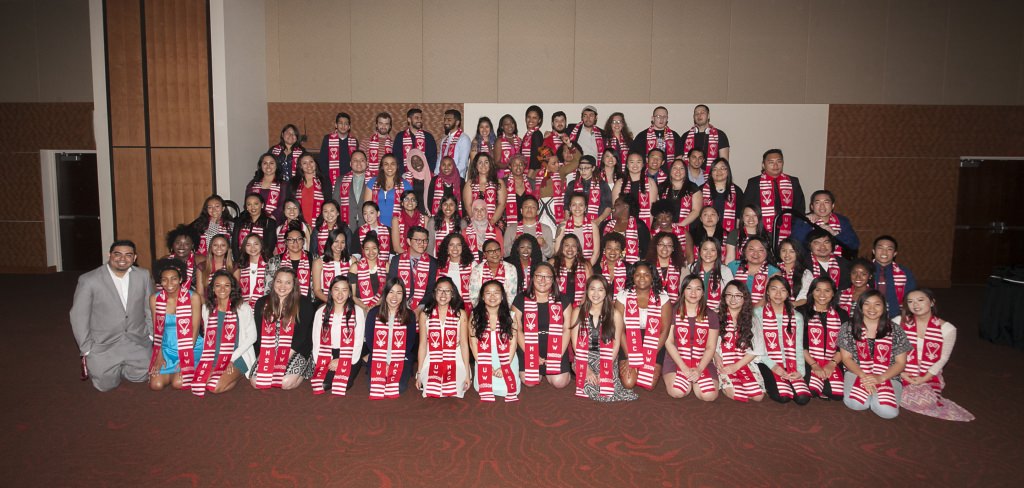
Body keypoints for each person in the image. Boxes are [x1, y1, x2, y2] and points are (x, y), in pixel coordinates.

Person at [897, 289, 974, 421]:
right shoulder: (898, 321)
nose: (915, 305)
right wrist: (901, 372)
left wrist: (924, 378)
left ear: (932, 302)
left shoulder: (948, 329)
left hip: (928, 371)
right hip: (900, 367)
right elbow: (891, 351)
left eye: (920, 300)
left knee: (923, 401)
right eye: (910, 301)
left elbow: (943, 358)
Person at [838, 290, 911, 419]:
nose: (872, 308)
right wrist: (864, 376)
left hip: (888, 375)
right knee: (856, 404)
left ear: (884, 307)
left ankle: (875, 396)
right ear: (860, 306)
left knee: (887, 412)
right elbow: (846, 358)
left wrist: (880, 378)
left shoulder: (895, 329)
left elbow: (900, 363)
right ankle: (870, 395)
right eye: (867, 304)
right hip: (857, 372)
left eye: (877, 304)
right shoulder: (848, 327)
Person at [569, 276, 637, 402]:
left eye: (600, 290)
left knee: (608, 389)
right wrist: (587, 369)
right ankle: (581, 371)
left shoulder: (615, 314)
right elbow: (575, 345)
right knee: (590, 386)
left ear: (606, 292)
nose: (596, 294)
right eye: (592, 289)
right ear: (587, 290)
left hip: (607, 357)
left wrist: (605, 368)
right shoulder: (577, 311)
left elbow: (616, 345)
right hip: (584, 357)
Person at [193, 270, 257, 395]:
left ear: (232, 288)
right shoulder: (207, 308)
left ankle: (239, 374)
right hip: (214, 355)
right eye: (218, 285)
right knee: (202, 382)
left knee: (215, 387)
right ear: (212, 288)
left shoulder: (243, 308)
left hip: (237, 356)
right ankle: (224, 375)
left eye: (227, 285)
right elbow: (208, 336)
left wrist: (230, 359)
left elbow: (252, 337)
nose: (222, 289)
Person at [251, 267, 316, 390]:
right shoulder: (261, 303)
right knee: (255, 382)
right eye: (279, 281)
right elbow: (259, 335)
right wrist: (266, 356)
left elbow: (301, 337)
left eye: (288, 282)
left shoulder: (304, 303)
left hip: (296, 349)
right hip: (268, 349)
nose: (282, 286)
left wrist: (282, 358)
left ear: (294, 285)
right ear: (273, 282)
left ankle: (306, 368)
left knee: (285, 383)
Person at [511, 262, 573, 388]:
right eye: (539, 276)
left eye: (548, 277)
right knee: (530, 382)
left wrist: (558, 354)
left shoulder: (563, 299)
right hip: (529, 345)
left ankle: (560, 369)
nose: (543, 280)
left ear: (553, 280)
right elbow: (517, 330)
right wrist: (531, 354)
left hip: (556, 345)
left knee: (560, 383)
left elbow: (567, 329)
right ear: (532, 277)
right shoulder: (520, 299)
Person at [616, 261, 673, 390]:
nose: (642, 278)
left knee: (649, 384)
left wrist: (647, 355)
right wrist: (630, 355)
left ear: (652, 277)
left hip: (653, 341)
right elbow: (619, 329)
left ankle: (643, 365)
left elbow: (664, 331)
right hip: (628, 338)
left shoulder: (663, 298)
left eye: (646, 274)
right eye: (638, 274)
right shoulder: (623, 296)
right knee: (628, 383)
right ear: (632, 277)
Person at [755, 276, 811, 405]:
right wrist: (774, 366)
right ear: (767, 291)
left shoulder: (796, 316)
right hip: (767, 360)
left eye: (783, 290)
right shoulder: (757, 313)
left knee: (802, 399)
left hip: (790, 361)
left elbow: (798, 346)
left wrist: (800, 371)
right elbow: (756, 346)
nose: (778, 294)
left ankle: (791, 379)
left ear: (788, 294)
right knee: (783, 397)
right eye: (774, 289)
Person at [146, 257, 200, 391]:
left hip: (190, 345)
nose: (169, 283)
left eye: (174, 278)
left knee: (178, 384)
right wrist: (158, 356)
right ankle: (172, 372)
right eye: (164, 279)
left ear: (181, 279)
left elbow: (195, 328)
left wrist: (185, 357)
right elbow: (156, 329)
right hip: (166, 346)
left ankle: (180, 371)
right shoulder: (154, 299)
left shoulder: (193, 297)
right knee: (156, 385)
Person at [664, 275, 720, 401]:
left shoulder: (711, 315)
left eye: (698, 289)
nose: (693, 293)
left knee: (709, 396)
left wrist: (699, 370)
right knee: (677, 391)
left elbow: (711, 347)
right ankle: (687, 380)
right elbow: (669, 342)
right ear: (683, 290)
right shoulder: (672, 311)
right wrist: (684, 368)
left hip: (701, 359)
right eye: (689, 288)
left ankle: (695, 379)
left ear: (703, 292)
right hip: (676, 358)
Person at [310, 275, 366, 396]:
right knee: (321, 384)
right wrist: (326, 361)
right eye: (336, 289)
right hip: (327, 353)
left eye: (344, 290)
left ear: (350, 293)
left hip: (350, 353)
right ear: (330, 291)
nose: (340, 294)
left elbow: (358, 342)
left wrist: (342, 360)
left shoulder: (358, 312)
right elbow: (316, 341)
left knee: (342, 384)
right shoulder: (321, 312)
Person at [416, 277, 472, 398]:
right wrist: (419, 373)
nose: (443, 294)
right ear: (434, 292)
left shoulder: (460, 314)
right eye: (440, 290)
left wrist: (467, 373)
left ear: (453, 294)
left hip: (455, 358)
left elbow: (463, 344)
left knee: (455, 390)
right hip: (432, 358)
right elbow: (422, 345)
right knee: (431, 389)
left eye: (447, 291)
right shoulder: (425, 314)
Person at [365, 278, 418, 398]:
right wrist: (383, 361)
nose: (394, 297)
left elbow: (409, 343)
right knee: (373, 386)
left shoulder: (409, 315)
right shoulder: (374, 313)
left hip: (401, 357)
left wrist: (393, 362)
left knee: (399, 387)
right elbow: (369, 340)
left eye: (399, 293)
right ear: (385, 294)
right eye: (391, 292)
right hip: (379, 356)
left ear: (403, 296)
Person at [715, 280, 766, 402]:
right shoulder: (715, 316)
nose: (733, 299)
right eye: (729, 295)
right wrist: (716, 356)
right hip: (722, 359)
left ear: (745, 298)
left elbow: (758, 348)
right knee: (735, 394)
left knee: (758, 396)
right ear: (724, 296)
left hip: (744, 360)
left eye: (738, 295)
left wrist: (736, 366)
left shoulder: (752, 319)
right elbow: (707, 343)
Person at [470, 280, 521, 401]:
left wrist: (505, 366)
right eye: (488, 293)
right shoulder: (475, 316)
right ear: (482, 297)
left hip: (507, 356)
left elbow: (513, 343)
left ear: (502, 296)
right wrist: (485, 365)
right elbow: (473, 344)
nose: (492, 296)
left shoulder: (511, 316)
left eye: (496, 293)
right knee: (482, 387)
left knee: (510, 389)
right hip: (483, 356)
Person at [799, 276, 849, 400]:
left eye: (827, 290)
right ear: (811, 292)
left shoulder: (842, 314)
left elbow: (844, 344)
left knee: (836, 395)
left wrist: (832, 364)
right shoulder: (801, 312)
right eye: (817, 290)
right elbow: (799, 344)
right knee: (811, 391)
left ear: (833, 293)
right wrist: (814, 365)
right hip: (807, 360)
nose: (822, 294)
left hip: (833, 360)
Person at [742, 149, 805, 244]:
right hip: (761, 232)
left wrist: (796, 232)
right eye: (771, 162)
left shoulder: (793, 182)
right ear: (763, 164)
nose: (775, 165)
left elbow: (799, 209)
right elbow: (747, 208)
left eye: (779, 161)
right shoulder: (754, 183)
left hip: (788, 232)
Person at [791, 189, 860, 259]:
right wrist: (806, 224)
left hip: (839, 263)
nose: (822, 206)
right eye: (817, 203)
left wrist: (834, 233)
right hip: (809, 264)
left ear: (833, 205)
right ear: (812, 206)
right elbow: (795, 245)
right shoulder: (803, 220)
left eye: (826, 202)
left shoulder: (842, 221)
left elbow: (854, 245)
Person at [386, 225, 438, 312]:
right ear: (409, 241)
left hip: (423, 307)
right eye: (418, 240)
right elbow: (391, 286)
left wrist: (419, 308)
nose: (422, 244)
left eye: (425, 241)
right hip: (399, 305)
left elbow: (431, 290)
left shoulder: (433, 263)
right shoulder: (396, 260)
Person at [872, 235, 917, 318]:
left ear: (895, 253)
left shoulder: (905, 273)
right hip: (868, 314)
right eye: (880, 248)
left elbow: (911, 296)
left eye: (889, 249)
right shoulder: (863, 271)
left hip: (895, 316)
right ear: (874, 251)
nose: (884, 252)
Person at [727, 236, 780, 305]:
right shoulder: (733, 266)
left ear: (767, 252)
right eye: (751, 249)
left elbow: (767, 298)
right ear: (744, 251)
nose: (755, 253)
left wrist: (750, 313)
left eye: (760, 250)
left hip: (759, 312)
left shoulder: (774, 272)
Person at [612, 151, 659, 229]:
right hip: (623, 225)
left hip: (643, 225)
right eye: (632, 162)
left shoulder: (650, 182)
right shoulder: (620, 183)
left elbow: (652, 209)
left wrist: (647, 229)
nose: (635, 165)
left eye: (638, 162)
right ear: (627, 165)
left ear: (643, 165)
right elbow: (615, 208)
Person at [364, 154, 413, 228]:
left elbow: (410, 209)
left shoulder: (406, 185)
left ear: (397, 166)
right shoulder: (372, 182)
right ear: (382, 167)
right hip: (375, 226)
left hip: (398, 227)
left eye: (393, 164)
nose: (389, 167)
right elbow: (366, 206)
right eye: (386, 164)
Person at [601, 194, 651, 265]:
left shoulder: (639, 225)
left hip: (632, 269)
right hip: (608, 268)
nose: (613, 207)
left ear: (626, 206)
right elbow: (600, 249)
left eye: (617, 204)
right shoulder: (606, 225)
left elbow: (646, 250)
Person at [556, 191, 603, 265]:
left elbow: (596, 253)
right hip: (565, 267)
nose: (577, 208)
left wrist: (587, 268)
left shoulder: (593, 226)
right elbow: (557, 250)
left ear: (585, 208)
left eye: (581, 205)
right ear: (570, 207)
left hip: (586, 267)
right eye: (574, 205)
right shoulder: (562, 226)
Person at [267, 227, 314, 300]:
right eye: (291, 239)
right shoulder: (274, 260)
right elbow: (269, 286)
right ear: (285, 242)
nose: (295, 242)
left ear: (303, 241)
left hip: (309, 303)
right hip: (282, 302)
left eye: (299, 239)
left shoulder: (314, 258)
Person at [564, 155, 612, 224]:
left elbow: (608, 206)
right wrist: (567, 220)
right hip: (575, 222)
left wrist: (598, 221)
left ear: (593, 168)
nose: (583, 171)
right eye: (580, 168)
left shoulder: (602, 185)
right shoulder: (572, 185)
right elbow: (567, 206)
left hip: (597, 222)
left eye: (586, 168)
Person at [689, 237, 734, 312]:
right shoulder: (690, 268)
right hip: (692, 312)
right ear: (699, 251)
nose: (708, 253)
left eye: (713, 250)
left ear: (718, 252)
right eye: (705, 249)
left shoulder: (725, 271)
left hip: (717, 314)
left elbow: (730, 295)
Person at [659, 156, 703, 229]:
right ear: (670, 170)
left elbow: (696, 211)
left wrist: (679, 226)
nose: (678, 171)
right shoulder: (662, 187)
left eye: (681, 168)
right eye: (675, 168)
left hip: (687, 228)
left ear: (686, 171)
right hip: (665, 228)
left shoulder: (693, 188)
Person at [505, 195, 555, 259]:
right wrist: (514, 243)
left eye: (533, 207)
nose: (529, 209)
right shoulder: (510, 229)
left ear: (537, 212)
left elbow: (550, 255)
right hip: (517, 267)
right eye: (526, 207)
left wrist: (544, 244)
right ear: (521, 211)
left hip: (539, 267)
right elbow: (504, 254)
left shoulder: (546, 229)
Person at [463, 152, 507, 226]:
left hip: (494, 221)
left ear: (490, 165)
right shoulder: (470, 183)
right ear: (476, 166)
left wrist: (491, 222)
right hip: (473, 221)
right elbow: (468, 206)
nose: (483, 165)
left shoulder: (499, 182)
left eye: (486, 162)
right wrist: (476, 222)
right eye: (480, 162)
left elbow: (502, 204)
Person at [701, 157, 743, 234]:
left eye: (722, 168)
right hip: (704, 233)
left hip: (729, 234)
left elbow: (739, 217)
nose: (719, 171)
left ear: (728, 171)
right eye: (715, 169)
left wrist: (735, 235)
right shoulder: (701, 190)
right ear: (711, 172)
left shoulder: (737, 191)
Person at [317, 112, 359, 187]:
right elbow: (322, 161)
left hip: (349, 179)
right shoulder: (328, 139)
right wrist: (327, 178)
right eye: (340, 123)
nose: (343, 126)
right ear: (336, 125)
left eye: (346, 124)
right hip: (330, 178)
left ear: (349, 127)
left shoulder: (353, 141)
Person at [349, 232, 388, 312]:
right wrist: (365, 307)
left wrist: (376, 305)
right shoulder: (355, 267)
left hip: (380, 305)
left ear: (379, 248)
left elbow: (388, 290)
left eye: (374, 248)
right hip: (360, 306)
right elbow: (352, 296)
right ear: (363, 250)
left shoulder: (385, 265)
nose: (371, 252)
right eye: (367, 249)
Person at [332, 149, 369, 234]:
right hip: (346, 224)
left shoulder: (374, 181)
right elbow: (335, 203)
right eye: (355, 160)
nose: (358, 163)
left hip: (367, 222)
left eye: (362, 160)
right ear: (350, 164)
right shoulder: (340, 180)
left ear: (367, 163)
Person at [681, 104, 730, 169]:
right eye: (696, 113)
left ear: (708, 116)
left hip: (713, 177)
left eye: (702, 113)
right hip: (690, 177)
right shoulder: (685, 136)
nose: (699, 115)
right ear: (693, 117)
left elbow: (724, 162)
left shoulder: (720, 135)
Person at [550, 233, 592, 307]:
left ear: (578, 249)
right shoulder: (553, 263)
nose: (570, 249)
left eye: (573, 246)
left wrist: (580, 307)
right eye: (567, 245)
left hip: (579, 306)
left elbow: (590, 287)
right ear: (562, 248)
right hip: (555, 306)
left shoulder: (585, 265)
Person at [437, 232, 476, 313]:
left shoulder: (472, 265)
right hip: (445, 304)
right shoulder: (440, 265)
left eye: (458, 245)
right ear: (446, 248)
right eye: (451, 245)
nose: (455, 248)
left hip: (467, 307)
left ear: (463, 248)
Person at [231, 193, 277, 261]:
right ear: (246, 207)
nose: (252, 207)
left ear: (262, 205)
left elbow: (270, 246)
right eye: (249, 204)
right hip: (241, 261)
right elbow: (234, 244)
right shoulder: (239, 222)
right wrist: (238, 261)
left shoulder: (269, 222)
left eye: (256, 204)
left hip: (262, 261)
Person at [245, 152, 288, 222]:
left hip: (275, 222)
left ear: (276, 166)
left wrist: (270, 219)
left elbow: (283, 205)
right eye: (265, 163)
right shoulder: (252, 184)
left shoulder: (283, 185)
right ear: (261, 166)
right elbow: (247, 203)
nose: (268, 166)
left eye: (271, 163)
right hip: (254, 220)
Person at [392, 107, 437, 173]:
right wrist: (402, 173)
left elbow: (432, 158)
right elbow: (396, 157)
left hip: (424, 176)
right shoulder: (400, 137)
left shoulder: (428, 137)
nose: (420, 120)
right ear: (409, 120)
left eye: (421, 118)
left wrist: (427, 173)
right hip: (405, 176)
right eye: (416, 118)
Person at [312, 229, 350, 303]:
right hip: (326, 301)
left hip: (348, 302)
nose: (339, 245)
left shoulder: (351, 260)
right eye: (336, 241)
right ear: (330, 242)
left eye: (342, 242)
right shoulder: (318, 262)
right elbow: (317, 290)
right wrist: (332, 303)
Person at [647, 231, 685, 304]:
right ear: (656, 246)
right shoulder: (647, 265)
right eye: (661, 244)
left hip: (675, 306)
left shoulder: (681, 267)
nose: (665, 248)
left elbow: (685, 289)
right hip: (650, 304)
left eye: (669, 245)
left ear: (673, 248)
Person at [777, 237, 813, 307]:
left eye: (792, 251)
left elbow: (805, 297)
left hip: (796, 309)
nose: (787, 255)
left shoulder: (805, 273)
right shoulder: (773, 268)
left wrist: (790, 305)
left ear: (798, 253)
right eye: (784, 251)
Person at [197, 234, 235, 299]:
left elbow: (235, 293)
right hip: (207, 305)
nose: (219, 248)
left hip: (229, 305)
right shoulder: (202, 266)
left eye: (223, 245)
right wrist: (207, 307)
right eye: (215, 245)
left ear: (228, 248)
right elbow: (200, 294)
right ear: (211, 247)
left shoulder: (234, 267)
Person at [165, 224, 202, 292]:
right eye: (178, 243)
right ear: (172, 244)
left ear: (192, 245)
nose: (181, 247)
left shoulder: (200, 260)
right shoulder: (165, 261)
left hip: (195, 300)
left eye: (186, 244)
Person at [391, 191, 427, 255]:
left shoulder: (425, 219)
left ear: (416, 203)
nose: (410, 202)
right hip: (402, 255)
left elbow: (426, 244)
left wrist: (418, 257)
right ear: (402, 203)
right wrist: (410, 257)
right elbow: (396, 247)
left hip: (421, 256)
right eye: (406, 199)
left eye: (413, 200)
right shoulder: (396, 220)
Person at [237, 233, 269, 308]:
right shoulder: (241, 266)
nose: (252, 248)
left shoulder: (269, 265)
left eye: (256, 244)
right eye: (248, 245)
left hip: (264, 306)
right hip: (244, 307)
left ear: (261, 245)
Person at [436, 109, 470, 178]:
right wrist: (436, 175)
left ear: (457, 122)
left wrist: (450, 176)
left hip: (457, 178)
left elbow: (463, 163)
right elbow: (440, 160)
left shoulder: (464, 139)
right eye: (445, 119)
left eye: (449, 120)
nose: (445, 122)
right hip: (443, 179)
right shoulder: (444, 140)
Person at [361, 111, 393, 177]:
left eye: (386, 124)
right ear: (376, 125)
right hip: (367, 179)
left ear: (390, 126)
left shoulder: (393, 144)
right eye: (381, 123)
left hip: (387, 179)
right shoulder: (366, 141)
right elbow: (360, 161)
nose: (383, 126)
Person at [404, 147, 431, 212]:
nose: (417, 164)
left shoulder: (433, 177)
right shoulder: (406, 177)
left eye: (419, 160)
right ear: (410, 164)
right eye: (413, 162)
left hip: (428, 213)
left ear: (423, 160)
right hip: (411, 214)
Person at [519, 105, 545, 170]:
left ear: (539, 120)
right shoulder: (527, 135)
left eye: (534, 118)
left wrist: (529, 178)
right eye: (529, 117)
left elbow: (536, 160)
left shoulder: (537, 134)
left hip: (532, 175)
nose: (531, 120)